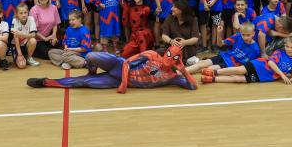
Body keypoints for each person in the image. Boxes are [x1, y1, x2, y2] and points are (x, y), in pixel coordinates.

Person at [27, 44, 196, 92]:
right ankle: (91, 69)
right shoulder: (151, 55)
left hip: (115, 81)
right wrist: (124, 83)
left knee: (83, 82)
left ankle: (46, 82)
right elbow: (128, 63)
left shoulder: (172, 77)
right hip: (118, 65)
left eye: (174, 58)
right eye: (168, 54)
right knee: (91, 56)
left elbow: (192, 86)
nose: (169, 58)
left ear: (178, 60)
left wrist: (183, 70)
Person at [202, 35, 292, 85]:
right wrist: (282, 75)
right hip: (259, 65)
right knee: (239, 70)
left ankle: (212, 79)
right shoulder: (279, 52)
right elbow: (271, 62)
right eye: (287, 46)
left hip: (264, 76)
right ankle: (214, 72)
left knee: (239, 79)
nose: (289, 49)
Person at [159, 0, 201, 64]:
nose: (171, 9)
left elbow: (195, 38)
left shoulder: (193, 19)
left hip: (186, 47)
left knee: (179, 52)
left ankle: (182, 61)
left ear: (181, 10)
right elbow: (164, 35)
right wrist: (171, 41)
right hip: (171, 47)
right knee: (158, 52)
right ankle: (183, 61)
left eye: (174, 7)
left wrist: (184, 42)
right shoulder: (170, 17)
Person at [10, 2, 38, 68]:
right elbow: (16, 38)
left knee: (33, 40)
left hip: (26, 44)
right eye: (21, 13)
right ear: (17, 14)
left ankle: (29, 58)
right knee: (21, 65)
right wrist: (19, 54)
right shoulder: (14, 21)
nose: (23, 15)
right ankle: (20, 56)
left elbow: (33, 35)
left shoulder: (31, 19)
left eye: (25, 12)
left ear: (28, 12)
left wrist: (22, 35)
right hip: (17, 46)